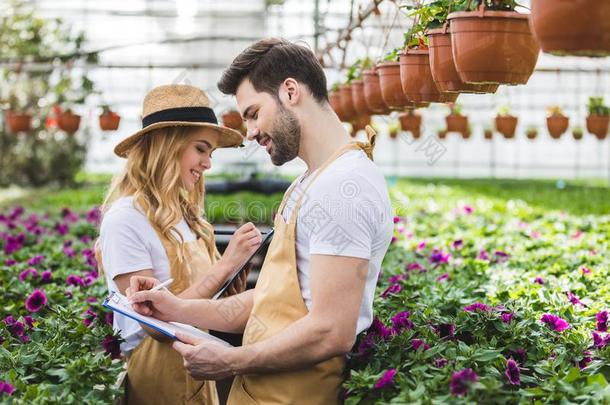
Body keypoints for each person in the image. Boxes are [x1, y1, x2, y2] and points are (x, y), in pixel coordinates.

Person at [128, 39, 393, 405]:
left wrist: (231, 361)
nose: (249, 132)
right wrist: (176, 308)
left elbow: (332, 330)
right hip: (267, 390)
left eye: (253, 113)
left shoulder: (343, 188)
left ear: (289, 91)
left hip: (296, 394)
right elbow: (272, 299)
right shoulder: (310, 181)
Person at [97, 84, 263, 404]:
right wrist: (226, 264)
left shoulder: (186, 217)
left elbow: (200, 303)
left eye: (211, 153)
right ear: (167, 146)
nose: (208, 164)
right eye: (201, 149)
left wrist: (231, 284)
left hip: (198, 373)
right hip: (156, 381)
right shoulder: (125, 220)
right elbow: (156, 327)